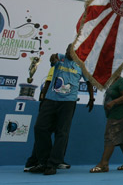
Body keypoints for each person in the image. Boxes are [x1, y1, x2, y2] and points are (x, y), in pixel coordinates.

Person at [30, 44, 94, 175]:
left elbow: (88, 82)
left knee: (62, 132)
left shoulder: (82, 65)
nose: (68, 53)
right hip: (51, 99)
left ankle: (52, 164)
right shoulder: (60, 58)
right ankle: (43, 161)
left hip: (68, 102)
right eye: (67, 51)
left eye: (71, 52)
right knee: (40, 128)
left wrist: (91, 98)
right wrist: (53, 60)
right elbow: (52, 60)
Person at [90, 76, 123, 173]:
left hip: (121, 114)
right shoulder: (111, 81)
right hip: (115, 114)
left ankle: (103, 164)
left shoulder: (121, 81)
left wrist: (113, 102)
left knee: (110, 136)